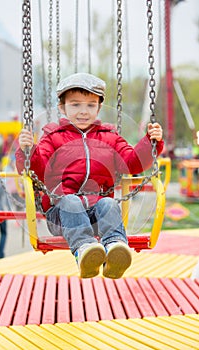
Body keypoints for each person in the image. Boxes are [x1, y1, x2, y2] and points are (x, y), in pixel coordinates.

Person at [16, 72, 164, 279]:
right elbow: (38, 170)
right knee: (70, 201)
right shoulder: (52, 136)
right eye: (75, 105)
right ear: (62, 107)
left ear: (99, 107)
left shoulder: (109, 136)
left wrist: (151, 142)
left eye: (90, 105)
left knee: (109, 204)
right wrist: (27, 151)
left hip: (97, 214)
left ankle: (115, 249)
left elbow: (133, 163)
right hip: (62, 214)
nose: (83, 111)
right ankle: (85, 251)